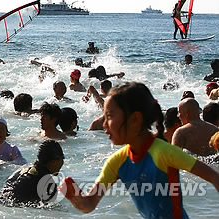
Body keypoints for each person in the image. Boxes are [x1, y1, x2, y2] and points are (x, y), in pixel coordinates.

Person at [61, 82, 219, 218]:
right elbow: (89, 204)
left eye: (109, 116)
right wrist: (75, 197)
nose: (104, 125)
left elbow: (213, 176)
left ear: (135, 119)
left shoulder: (163, 152)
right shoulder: (117, 161)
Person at [0, 140, 64, 206]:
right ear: (55, 161)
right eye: (62, 158)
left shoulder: (24, 168)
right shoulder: (49, 183)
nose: (63, 163)